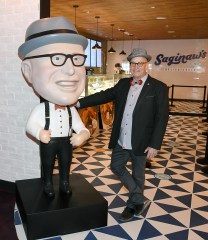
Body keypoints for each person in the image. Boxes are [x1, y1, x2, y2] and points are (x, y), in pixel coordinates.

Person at [77, 48, 169, 221]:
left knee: (138, 174)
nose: (136, 67)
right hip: (121, 138)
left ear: (146, 64)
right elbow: (104, 95)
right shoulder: (122, 84)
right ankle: (138, 198)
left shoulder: (159, 88)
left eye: (140, 63)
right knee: (116, 166)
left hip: (142, 141)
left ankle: (132, 205)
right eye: (133, 63)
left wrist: (155, 144)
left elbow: (161, 118)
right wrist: (79, 102)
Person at [18, 16, 90, 198]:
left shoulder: (71, 110)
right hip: (49, 143)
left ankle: (65, 183)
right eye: (56, 58)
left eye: (77, 58)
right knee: (48, 164)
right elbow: (30, 125)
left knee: (66, 163)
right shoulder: (41, 110)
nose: (71, 70)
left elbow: (81, 128)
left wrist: (82, 135)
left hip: (66, 141)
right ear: (28, 71)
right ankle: (48, 184)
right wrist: (39, 133)